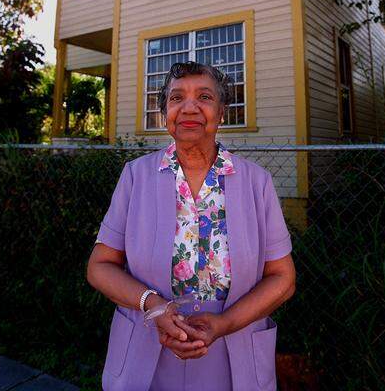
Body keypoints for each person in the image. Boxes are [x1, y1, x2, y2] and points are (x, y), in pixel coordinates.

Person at [86, 61, 297, 391]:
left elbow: (283, 279)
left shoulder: (258, 183)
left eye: (204, 96)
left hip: (233, 356)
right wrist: (153, 306)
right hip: (146, 354)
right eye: (176, 98)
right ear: (164, 114)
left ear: (222, 112)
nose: (189, 107)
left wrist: (224, 323)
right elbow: (99, 267)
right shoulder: (135, 176)